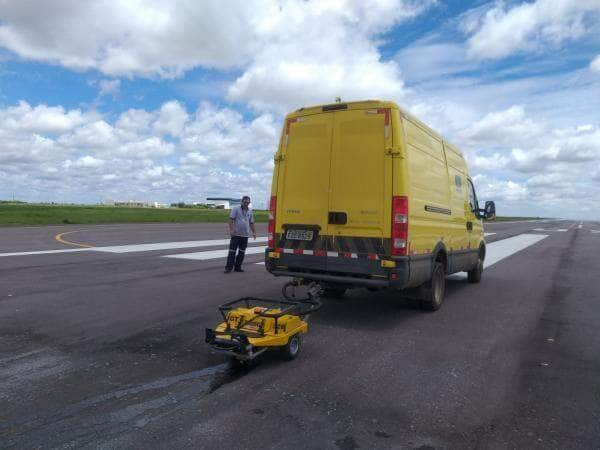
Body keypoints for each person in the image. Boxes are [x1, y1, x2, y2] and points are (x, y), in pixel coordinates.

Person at [224, 196, 256, 273]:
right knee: (232, 252)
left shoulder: (250, 211)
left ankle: (238, 267)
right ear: (242, 202)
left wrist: (254, 232)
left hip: (245, 235)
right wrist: (231, 230)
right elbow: (231, 220)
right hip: (236, 235)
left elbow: (251, 223)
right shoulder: (236, 209)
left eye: (248, 202)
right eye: (245, 202)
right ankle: (228, 268)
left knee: (242, 252)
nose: (246, 204)